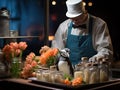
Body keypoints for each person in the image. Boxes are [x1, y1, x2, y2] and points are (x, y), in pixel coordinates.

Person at [51, 0, 113, 66]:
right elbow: (57, 50)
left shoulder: (99, 25)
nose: (75, 21)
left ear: (85, 13)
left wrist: (97, 58)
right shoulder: (63, 26)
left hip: (92, 70)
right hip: (69, 72)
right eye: (72, 19)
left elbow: (105, 49)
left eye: (77, 18)